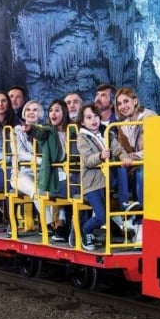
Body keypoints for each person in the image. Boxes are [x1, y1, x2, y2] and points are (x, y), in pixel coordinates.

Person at [111, 87, 153, 209]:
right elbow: (121, 149)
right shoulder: (122, 125)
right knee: (118, 166)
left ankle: (142, 213)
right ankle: (124, 208)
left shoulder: (149, 117)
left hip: (150, 163)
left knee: (141, 171)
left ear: (135, 101)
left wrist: (133, 156)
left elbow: (155, 148)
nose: (122, 106)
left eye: (126, 101)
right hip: (133, 165)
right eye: (119, 104)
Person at [76, 104, 111, 251]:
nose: (94, 120)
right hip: (92, 183)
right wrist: (101, 156)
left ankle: (125, 204)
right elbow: (88, 160)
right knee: (102, 217)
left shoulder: (106, 133)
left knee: (109, 213)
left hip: (106, 180)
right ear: (83, 122)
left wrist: (125, 157)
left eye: (96, 116)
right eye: (89, 117)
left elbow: (117, 149)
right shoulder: (83, 138)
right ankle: (84, 230)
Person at [38, 99, 72, 242]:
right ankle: (59, 224)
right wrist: (29, 130)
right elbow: (38, 134)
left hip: (72, 170)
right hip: (55, 172)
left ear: (64, 112)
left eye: (56, 110)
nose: (53, 113)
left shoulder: (73, 130)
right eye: (51, 110)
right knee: (61, 181)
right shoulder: (48, 131)